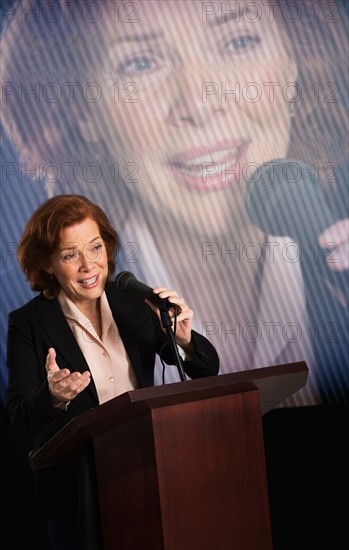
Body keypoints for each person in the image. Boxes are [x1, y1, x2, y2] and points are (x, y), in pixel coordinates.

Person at [0, 0, 348, 411]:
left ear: (295, 64)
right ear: (84, 111)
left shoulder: (338, 278)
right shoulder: (50, 315)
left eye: (238, 41)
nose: (198, 105)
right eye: (140, 64)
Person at [4, 193, 220, 550]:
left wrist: (184, 340)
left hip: (151, 474)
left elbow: (206, 369)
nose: (89, 266)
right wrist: (53, 397)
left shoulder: (134, 302)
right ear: (47, 265)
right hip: (77, 495)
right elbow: (17, 420)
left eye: (95, 248)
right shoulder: (27, 323)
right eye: (70, 255)